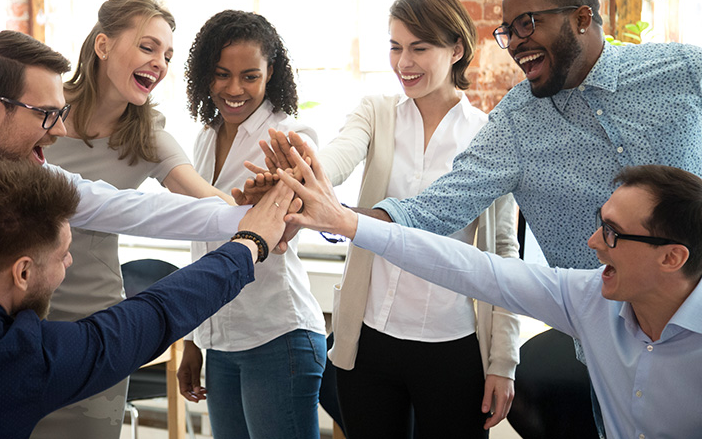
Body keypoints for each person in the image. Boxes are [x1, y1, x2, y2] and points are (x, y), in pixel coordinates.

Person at [260, 0, 702, 436]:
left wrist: (501, 360)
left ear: (581, 17)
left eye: (527, 24)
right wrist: (329, 208)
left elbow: (497, 252)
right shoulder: (515, 122)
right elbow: (441, 219)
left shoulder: (682, 70)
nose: (515, 43)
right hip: (608, 335)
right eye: (507, 30)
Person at [278, 149, 702, 439]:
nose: (592, 241)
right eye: (600, 222)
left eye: (612, 232)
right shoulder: (588, 298)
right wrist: (347, 223)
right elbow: (472, 269)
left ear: (672, 257)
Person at [0, 160, 296, 439]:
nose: (69, 263)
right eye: (62, 256)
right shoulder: (18, 359)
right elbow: (152, 316)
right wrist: (250, 244)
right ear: (22, 272)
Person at [310, 0, 519, 437]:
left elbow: (504, 252)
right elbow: (337, 156)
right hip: (369, 342)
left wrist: (503, 361)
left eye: (419, 48)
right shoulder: (377, 113)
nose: (404, 63)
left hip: (453, 345)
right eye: (395, 47)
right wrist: (306, 173)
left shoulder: (489, 135)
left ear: (456, 49)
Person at [0, 29, 249, 289]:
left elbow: (137, 210)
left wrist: (249, 220)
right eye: (46, 114)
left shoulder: (33, 178)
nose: (61, 131)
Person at [33, 0, 234, 438]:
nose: (159, 63)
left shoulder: (148, 136)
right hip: (21, 316)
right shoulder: (43, 112)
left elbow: (204, 199)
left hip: (96, 325)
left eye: (167, 55)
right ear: (103, 46)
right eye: (148, 47)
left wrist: (258, 216)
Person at [178, 10, 327, 439]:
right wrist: (195, 341)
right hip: (221, 342)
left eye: (249, 76)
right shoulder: (205, 137)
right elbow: (199, 242)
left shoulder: (291, 135)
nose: (234, 89)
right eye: (222, 74)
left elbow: (292, 216)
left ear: (271, 73)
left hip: (277, 336)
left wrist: (272, 203)